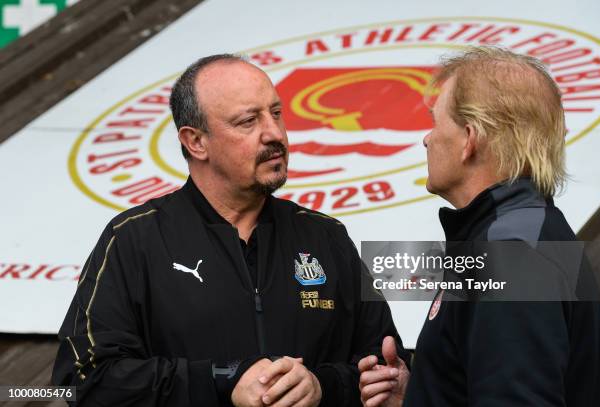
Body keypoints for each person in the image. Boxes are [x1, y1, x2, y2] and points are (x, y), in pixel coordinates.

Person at [52, 54, 408, 406]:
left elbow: (385, 365)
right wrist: (223, 381)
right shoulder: (133, 239)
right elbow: (81, 381)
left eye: (276, 113)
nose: (274, 133)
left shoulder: (326, 236)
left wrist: (321, 386)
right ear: (196, 142)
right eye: (247, 121)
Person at [358, 46, 600, 406]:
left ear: (470, 139)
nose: (426, 139)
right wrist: (421, 394)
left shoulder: (510, 253)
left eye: (436, 121)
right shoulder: (526, 233)